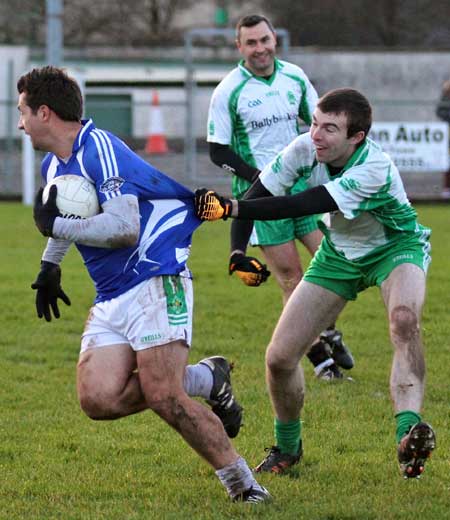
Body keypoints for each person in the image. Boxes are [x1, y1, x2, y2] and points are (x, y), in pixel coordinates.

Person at [18, 65, 270, 503]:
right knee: (97, 399)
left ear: (44, 112)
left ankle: (244, 485)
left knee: (164, 397)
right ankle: (209, 379)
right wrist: (49, 265)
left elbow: (124, 227)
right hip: (111, 291)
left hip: (155, 275)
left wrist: (55, 225)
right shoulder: (52, 162)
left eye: (21, 111)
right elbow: (66, 219)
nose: (18, 123)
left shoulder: (99, 148)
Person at [195, 87, 436, 479]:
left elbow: (302, 204)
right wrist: (236, 252)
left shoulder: (373, 166)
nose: (316, 135)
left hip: (395, 248)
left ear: (356, 137)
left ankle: (408, 433)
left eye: (330, 129)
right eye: (314, 123)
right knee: (279, 358)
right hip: (339, 254)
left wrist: (231, 207)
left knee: (404, 322)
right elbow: (259, 193)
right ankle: (287, 449)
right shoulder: (304, 147)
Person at [206, 14, 354, 380]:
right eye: (251, 43)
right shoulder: (228, 91)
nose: (260, 49)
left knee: (338, 263)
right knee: (292, 279)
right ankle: (321, 361)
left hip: (302, 192)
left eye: (264, 40)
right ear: (239, 47)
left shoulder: (294, 77)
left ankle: (327, 329)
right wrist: (259, 178)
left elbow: (319, 124)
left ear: (275, 40)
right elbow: (217, 151)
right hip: (261, 201)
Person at [436, 79, 450, 200]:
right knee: (447, 161)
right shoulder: (446, 96)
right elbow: (440, 111)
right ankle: (447, 189)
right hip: (448, 133)